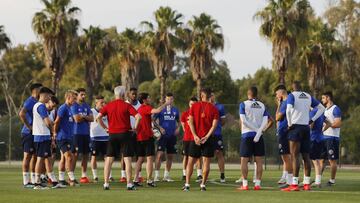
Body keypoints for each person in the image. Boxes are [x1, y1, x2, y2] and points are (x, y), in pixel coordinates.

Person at [282, 81, 325, 192]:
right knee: (306, 156)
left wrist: (289, 123)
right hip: (306, 128)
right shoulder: (308, 96)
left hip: (295, 127)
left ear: (292, 88)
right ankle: (306, 184)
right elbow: (322, 108)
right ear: (301, 87)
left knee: (294, 156)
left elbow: (288, 110)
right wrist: (312, 120)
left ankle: (295, 184)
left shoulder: (292, 95)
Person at [97, 86, 141, 190]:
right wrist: (135, 128)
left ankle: (106, 184)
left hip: (112, 135)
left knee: (109, 160)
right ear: (123, 94)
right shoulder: (127, 105)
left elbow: (98, 117)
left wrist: (105, 128)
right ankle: (129, 184)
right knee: (127, 159)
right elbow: (138, 116)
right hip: (125, 134)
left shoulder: (108, 106)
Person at [183, 88, 219, 192]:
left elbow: (190, 122)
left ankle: (187, 184)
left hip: (196, 139)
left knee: (190, 161)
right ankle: (202, 185)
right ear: (209, 96)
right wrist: (207, 137)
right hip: (207, 139)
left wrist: (195, 136)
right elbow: (214, 126)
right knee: (206, 162)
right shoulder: (214, 108)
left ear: (201, 96)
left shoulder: (194, 106)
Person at [133, 93, 170, 187]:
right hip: (146, 137)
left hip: (140, 137)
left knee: (140, 159)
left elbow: (148, 122)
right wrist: (166, 103)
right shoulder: (146, 107)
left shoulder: (140, 109)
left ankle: (135, 179)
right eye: (148, 97)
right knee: (149, 158)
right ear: (144, 100)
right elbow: (157, 110)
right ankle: (149, 181)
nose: (150, 99)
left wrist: (154, 131)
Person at [238, 86, 269, 191]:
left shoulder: (243, 104)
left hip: (246, 135)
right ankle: (257, 185)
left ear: (248, 94)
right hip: (258, 136)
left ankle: (245, 185)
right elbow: (266, 121)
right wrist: (259, 131)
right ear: (257, 94)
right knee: (259, 161)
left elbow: (244, 121)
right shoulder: (262, 105)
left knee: (244, 160)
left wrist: (256, 130)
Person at [32, 87, 62, 189]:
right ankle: (37, 183)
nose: (49, 98)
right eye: (49, 96)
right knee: (40, 159)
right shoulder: (41, 106)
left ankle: (54, 181)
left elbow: (48, 122)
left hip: (44, 136)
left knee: (48, 159)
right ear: (43, 95)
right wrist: (52, 125)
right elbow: (48, 122)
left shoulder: (40, 106)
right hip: (41, 136)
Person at [19, 83, 42, 188]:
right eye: (40, 89)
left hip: (36, 133)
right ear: (35, 90)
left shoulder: (38, 102)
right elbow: (21, 113)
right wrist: (28, 126)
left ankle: (33, 180)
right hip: (28, 133)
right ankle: (25, 181)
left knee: (35, 156)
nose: (41, 91)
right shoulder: (29, 101)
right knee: (27, 156)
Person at [54, 90, 79, 186]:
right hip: (62, 137)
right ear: (68, 98)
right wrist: (55, 133)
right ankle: (72, 179)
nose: (75, 100)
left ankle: (61, 179)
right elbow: (56, 122)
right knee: (69, 157)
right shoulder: (63, 108)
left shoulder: (70, 108)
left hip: (69, 137)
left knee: (65, 158)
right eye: (74, 98)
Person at [154, 93, 180, 182]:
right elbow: (153, 121)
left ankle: (166, 175)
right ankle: (156, 176)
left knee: (170, 156)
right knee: (159, 155)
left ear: (173, 100)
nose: (169, 101)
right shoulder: (161, 109)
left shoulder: (176, 110)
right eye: (168, 99)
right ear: (165, 100)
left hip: (172, 136)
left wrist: (178, 128)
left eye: (171, 99)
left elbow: (179, 121)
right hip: (162, 136)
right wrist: (160, 128)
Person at [71, 88, 94, 184]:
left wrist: (83, 117)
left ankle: (83, 176)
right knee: (75, 155)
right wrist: (85, 117)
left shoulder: (86, 106)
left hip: (86, 134)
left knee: (85, 155)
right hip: (76, 133)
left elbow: (92, 118)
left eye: (85, 94)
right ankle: (71, 175)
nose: (84, 96)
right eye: (82, 94)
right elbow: (77, 119)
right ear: (77, 95)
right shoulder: (74, 106)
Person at [90, 95, 112, 182]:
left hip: (106, 138)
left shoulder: (107, 111)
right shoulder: (91, 111)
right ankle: (95, 176)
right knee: (94, 156)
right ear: (96, 103)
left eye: (104, 102)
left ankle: (109, 175)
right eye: (101, 102)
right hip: (95, 138)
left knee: (108, 157)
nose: (103, 104)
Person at [321, 91, 342, 186]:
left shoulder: (335, 108)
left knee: (332, 161)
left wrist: (328, 126)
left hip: (332, 138)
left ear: (328, 98)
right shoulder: (325, 110)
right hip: (324, 138)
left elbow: (338, 123)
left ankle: (332, 181)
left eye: (323, 98)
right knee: (321, 160)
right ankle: (318, 179)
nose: (322, 100)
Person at [274, 85, 293, 188]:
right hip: (283, 131)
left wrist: (279, 104)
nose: (276, 95)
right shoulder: (283, 103)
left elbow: (277, 117)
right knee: (286, 156)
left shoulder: (285, 103)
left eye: (277, 93)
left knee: (286, 157)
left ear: (281, 92)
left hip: (284, 131)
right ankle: (288, 179)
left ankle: (290, 181)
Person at [180, 97, 202, 181]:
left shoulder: (199, 114)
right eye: (191, 104)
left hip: (196, 138)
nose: (192, 106)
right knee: (186, 156)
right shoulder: (185, 114)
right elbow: (184, 127)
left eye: (194, 104)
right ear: (189, 104)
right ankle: (184, 174)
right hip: (187, 139)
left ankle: (199, 174)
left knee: (197, 157)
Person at [123, 87, 142, 183]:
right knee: (126, 154)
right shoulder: (125, 104)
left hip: (137, 132)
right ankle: (123, 175)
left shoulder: (140, 105)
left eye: (135, 94)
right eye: (132, 94)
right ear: (128, 94)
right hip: (127, 131)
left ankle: (138, 175)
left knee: (139, 154)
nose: (134, 95)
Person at [210, 92, 227, 183]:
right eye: (209, 95)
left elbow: (223, 121)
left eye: (212, 95)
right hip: (206, 135)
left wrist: (217, 127)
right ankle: (202, 175)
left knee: (219, 153)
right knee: (205, 155)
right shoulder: (205, 106)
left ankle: (222, 175)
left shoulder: (220, 107)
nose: (210, 97)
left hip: (217, 134)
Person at [309, 107, 325, 188]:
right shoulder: (321, 112)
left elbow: (311, 125)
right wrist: (322, 130)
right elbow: (328, 123)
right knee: (318, 160)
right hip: (320, 138)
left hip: (313, 138)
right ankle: (318, 180)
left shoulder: (313, 112)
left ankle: (316, 181)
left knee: (314, 161)